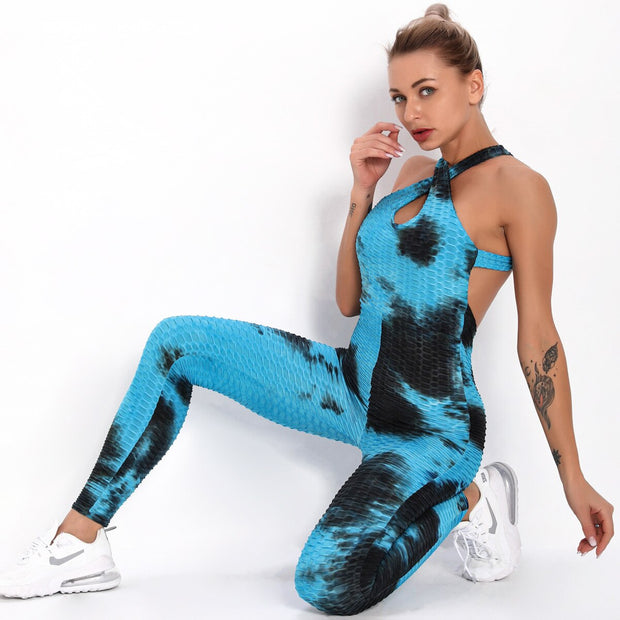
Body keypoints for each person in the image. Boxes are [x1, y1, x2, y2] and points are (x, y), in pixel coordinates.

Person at [0, 3, 614, 614]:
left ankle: (472, 497)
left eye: (427, 91)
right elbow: (350, 301)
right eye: (399, 97)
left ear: (473, 85)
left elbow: (539, 340)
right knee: (176, 342)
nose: (411, 113)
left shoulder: (519, 189)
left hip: (428, 428)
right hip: (349, 387)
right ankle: (81, 542)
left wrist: (573, 479)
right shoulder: (413, 172)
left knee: (327, 582)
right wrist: (362, 192)